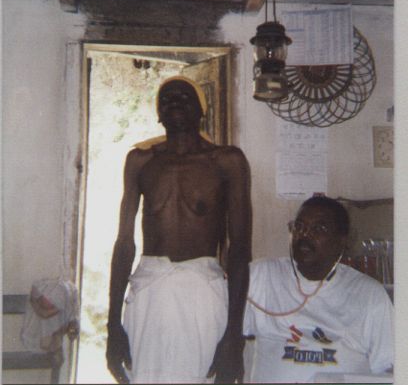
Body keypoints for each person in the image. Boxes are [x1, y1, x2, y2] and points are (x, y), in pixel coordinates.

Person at [106, 76, 252, 384]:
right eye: (167, 99)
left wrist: (234, 335)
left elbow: (239, 250)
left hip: (203, 292)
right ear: (158, 114)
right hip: (150, 292)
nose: (175, 102)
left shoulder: (227, 161)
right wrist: (112, 326)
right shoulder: (140, 161)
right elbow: (124, 245)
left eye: (185, 97)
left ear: (201, 110)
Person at [243, 196, 394, 383]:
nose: (305, 235)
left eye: (319, 229)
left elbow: (389, 369)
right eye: (299, 226)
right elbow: (222, 328)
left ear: (342, 241)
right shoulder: (263, 276)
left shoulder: (369, 295)